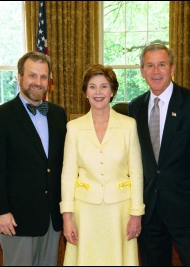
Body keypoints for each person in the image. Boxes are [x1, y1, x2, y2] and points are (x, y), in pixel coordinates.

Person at [128, 43, 190, 266]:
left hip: (188, 209)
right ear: (142, 71)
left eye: (162, 64)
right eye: (149, 65)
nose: (156, 71)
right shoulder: (135, 107)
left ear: (173, 68)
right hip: (149, 209)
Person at [0, 51, 67, 266]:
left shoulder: (58, 114)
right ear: (19, 77)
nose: (38, 82)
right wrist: (0, 211)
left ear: (49, 81)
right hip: (16, 219)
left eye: (43, 77)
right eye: (32, 76)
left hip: (52, 217)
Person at [60, 64, 145, 266]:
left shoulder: (129, 125)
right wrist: (67, 217)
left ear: (112, 91)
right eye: (92, 86)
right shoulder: (73, 128)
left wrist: (136, 214)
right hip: (85, 213)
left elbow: (137, 172)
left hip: (120, 212)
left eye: (104, 86)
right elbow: (68, 174)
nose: (98, 92)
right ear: (85, 92)